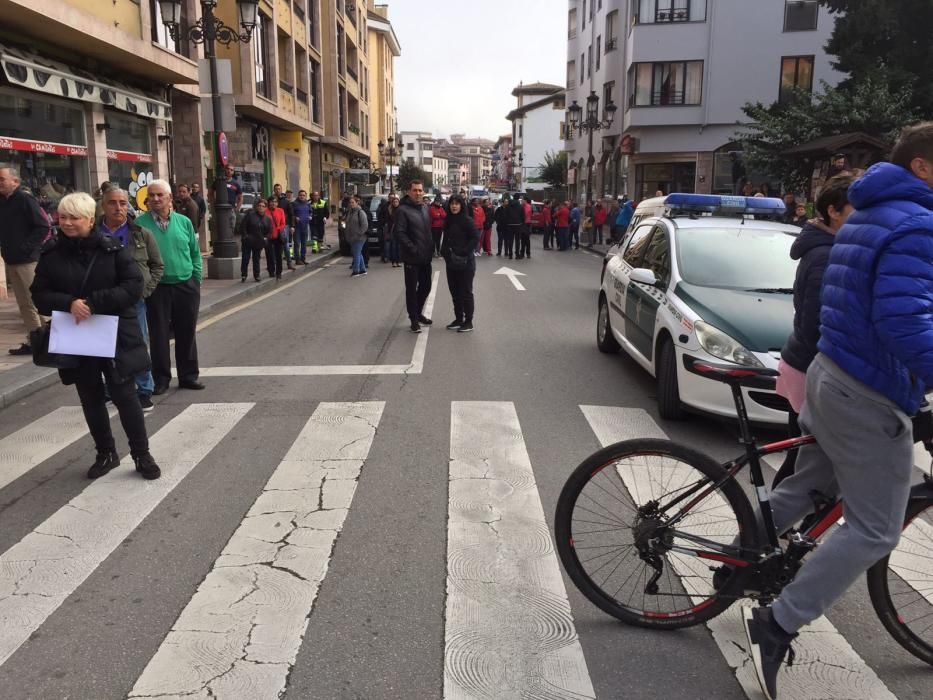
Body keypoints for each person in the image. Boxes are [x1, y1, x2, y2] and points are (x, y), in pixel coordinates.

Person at [742, 124, 933, 699]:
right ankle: (778, 623)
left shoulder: (876, 210)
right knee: (875, 529)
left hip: (835, 371)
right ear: (923, 167)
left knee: (810, 486)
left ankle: (737, 563)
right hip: (865, 391)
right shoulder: (917, 223)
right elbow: (904, 321)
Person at [30, 192, 160, 480]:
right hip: (77, 335)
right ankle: (106, 453)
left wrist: (93, 302)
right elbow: (38, 295)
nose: (67, 223)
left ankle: (141, 453)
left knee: (125, 395)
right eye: (62, 217)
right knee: (90, 397)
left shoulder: (111, 249)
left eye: (74, 218)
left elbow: (133, 286)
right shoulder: (51, 254)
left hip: (114, 333)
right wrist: (68, 303)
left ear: (90, 220)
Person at [771, 176, 855, 489]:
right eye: (856, 209)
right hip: (810, 368)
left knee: (804, 458)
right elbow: (814, 326)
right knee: (804, 461)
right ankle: (768, 527)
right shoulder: (825, 254)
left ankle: (777, 525)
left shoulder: (830, 247)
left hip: (804, 363)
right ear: (834, 211)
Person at [98, 187, 164, 412]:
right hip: (103, 300)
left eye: (123, 203)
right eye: (113, 203)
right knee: (106, 345)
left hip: (134, 301)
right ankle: (110, 388)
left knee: (137, 344)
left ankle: (144, 390)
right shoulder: (94, 234)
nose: (118, 208)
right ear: (103, 206)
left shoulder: (141, 233)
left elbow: (157, 265)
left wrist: (145, 291)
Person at [135, 179, 204, 394]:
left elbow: (194, 252)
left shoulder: (184, 222)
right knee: (159, 334)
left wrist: (196, 278)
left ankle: (188, 376)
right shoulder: (140, 225)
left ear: (169, 199)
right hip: (157, 288)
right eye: (151, 196)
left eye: (159, 195)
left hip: (186, 284)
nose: (155, 199)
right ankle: (161, 378)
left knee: (187, 332)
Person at [0, 165, 47, 355]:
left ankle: (48, 340)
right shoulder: (2, 202)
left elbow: (43, 226)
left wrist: (25, 248)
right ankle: (35, 340)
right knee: (24, 305)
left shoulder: (25, 199)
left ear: (15, 182)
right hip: (11, 260)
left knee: (36, 301)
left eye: (2, 179)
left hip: (27, 261)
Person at [394, 180, 434, 333]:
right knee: (411, 289)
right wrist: (413, 249)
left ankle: (418, 312)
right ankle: (413, 319)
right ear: (409, 192)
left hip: (425, 257)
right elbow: (399, 233)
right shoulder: (402, 211)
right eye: (415, 190)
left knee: (426, 286)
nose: (418, 193)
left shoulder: (424, 208)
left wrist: (431, 247)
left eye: (420, 190)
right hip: (412, 257)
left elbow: (427, 231)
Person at [442, 195, 480, 333]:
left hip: (466, 263)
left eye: (457, 203)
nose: (454, 206)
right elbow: (446, 238)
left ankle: (468, 321)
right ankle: (458, 319)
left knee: (466, 292)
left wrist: (464, 252)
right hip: (451, 262)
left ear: (462, 205)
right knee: (455, 292)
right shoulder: (448, 220)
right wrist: (444, 252)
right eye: (452, 203)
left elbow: (475, 237)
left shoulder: (467, 220)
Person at [239, 198, 270, 282]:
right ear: (257, 207)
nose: (261, 207)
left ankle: (257, 275)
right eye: (259, 206)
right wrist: (245, 236)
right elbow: (243, 226)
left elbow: (268, 231)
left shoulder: (267, 219)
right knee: (245, 258)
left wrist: (265, 238)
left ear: (266, 208)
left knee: (256, 259)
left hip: (259, 242)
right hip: (248, 241)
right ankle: (244, 275)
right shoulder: (250, 215)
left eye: (263, 206)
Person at [345, 195, 369, 277]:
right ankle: (362, 270)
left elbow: (365, 226)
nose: (351, 204)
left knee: (356, 253)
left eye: (353, 202)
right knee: (358, 253)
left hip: (359, 238)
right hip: (352, 237)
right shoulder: (350, 212)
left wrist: (359, 234)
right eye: (350, 202)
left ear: (357, 203)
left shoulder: (360, 212)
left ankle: (356, 271)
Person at [265, 196, 287, 280]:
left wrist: (277, 229)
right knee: (269, 255)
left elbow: (283, 223)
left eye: (275, 202)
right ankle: (271, 271)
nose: (273, 203)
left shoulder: (280, 211)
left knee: (278, 255)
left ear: (277, 203)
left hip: (278, 236)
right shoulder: (265, 211)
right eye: (271, 202)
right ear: (268, 203)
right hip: (268, 237)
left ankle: (279, 272)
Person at [291, 190, 311, 264]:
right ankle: (297, 260)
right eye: (300, 195)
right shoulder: (294, 204)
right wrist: (295, 217)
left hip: (305, 226)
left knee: (304, 244)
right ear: (298, 196)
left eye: (303, 195)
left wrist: (310, 216)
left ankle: (303, 258)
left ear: (306, 196)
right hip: (297, 227)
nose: (302, 196)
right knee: (297, 244)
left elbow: (310, 211)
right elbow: (291, 214)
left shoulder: (307, 204)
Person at [385, 195, 401, 267]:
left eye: (397, 202)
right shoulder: (390, 210)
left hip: (400, 230)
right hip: (392, 230)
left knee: (399, 247)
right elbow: (388, 221)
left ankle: (398, 261)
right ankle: (393, 261)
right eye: (394, 202)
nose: (395, 203)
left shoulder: (401, 210)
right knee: (393, 247)